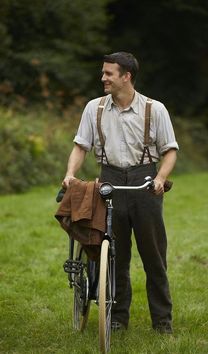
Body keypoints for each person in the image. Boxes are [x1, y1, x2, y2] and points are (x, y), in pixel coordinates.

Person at [62, 52, 179, 334]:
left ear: (126, 76)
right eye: (103, 73)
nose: (103, 78)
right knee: (115, 256)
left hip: (145, 182)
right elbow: (81, 146)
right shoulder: (94, 108)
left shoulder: (155, 109)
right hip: (109, 180)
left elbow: (170, 150)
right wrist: (70, 174)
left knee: (154, 257)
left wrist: (161, 178)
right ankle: (117, 317)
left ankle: (162, 321)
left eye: (108, 74)